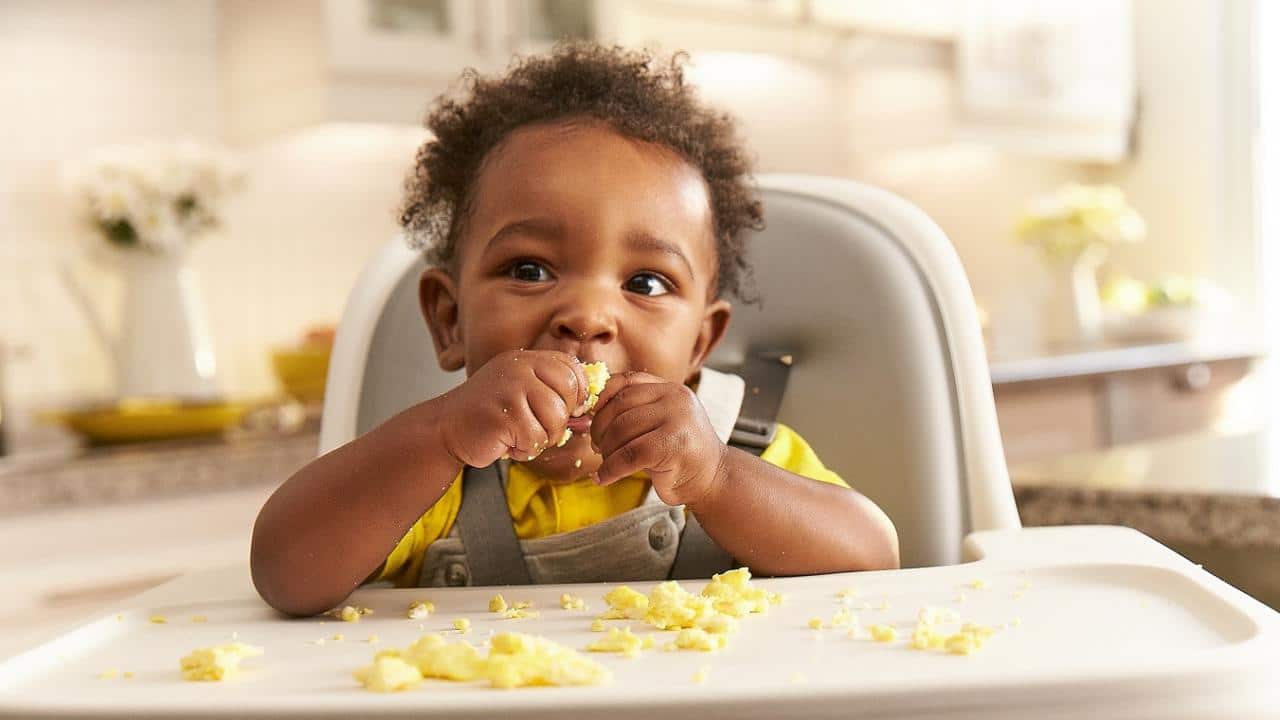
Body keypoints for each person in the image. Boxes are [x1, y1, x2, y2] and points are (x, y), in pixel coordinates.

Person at [250, 43, 899, 617]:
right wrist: (443, 434)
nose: (587, 317)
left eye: (645, 283)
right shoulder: (432, 475)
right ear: (450, 319)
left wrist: (717, 482)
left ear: (701, 344)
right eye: (529, 269)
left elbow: (875, 557)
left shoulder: (735, 450)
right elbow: (285, 572)